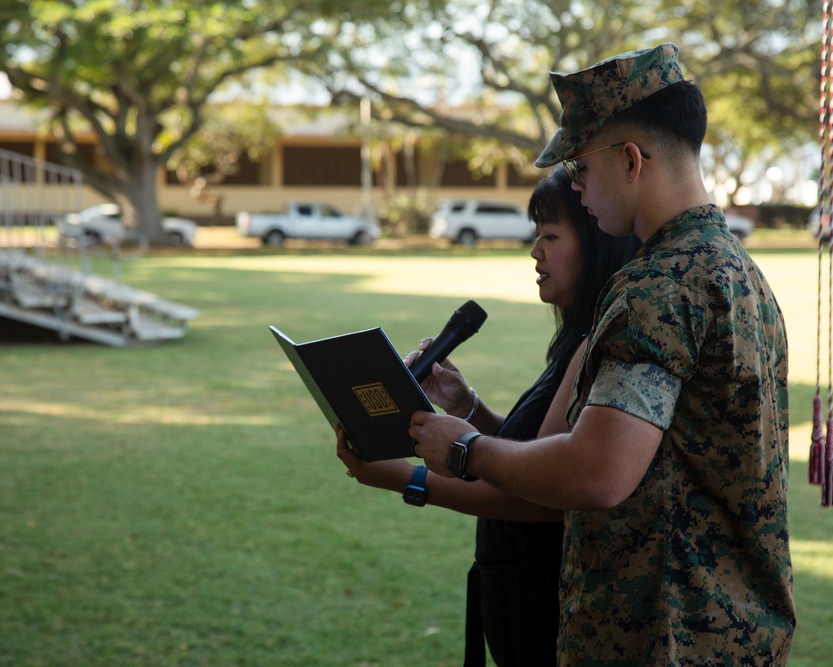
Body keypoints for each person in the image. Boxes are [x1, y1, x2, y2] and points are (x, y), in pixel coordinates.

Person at [408, 43, 796, 665]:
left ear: (631, 159)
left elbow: (597, 472)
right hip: (732, 633)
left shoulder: (659, 284)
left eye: (581, 169)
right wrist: (476, 416)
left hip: (658, 637)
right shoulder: (736, 270)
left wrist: (463, 448)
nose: (578, 187)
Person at [337, 167, 640, 666]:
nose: (535, 251)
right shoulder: (574, 341)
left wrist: (411, 479)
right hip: (517, 603)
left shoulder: (599, 342)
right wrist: (466, 406)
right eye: (534, 235)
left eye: (550, 235)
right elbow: (534, 452)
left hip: (550, 610)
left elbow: (547, 496)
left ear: (595, 242)